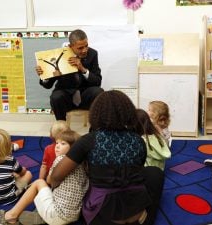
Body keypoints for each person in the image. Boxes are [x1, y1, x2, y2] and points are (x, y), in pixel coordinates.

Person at [49, 90, 164, 225]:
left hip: (102, 216)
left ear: (96, 114)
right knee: (155, 173)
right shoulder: (138, 141)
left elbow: (56, 177)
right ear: (128, 112)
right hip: (136, 213)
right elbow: (137, 171)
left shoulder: (87, 141)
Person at [0, 130, 88, 225]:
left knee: (39, 182)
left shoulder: (61, 160)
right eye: (57, 143)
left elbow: (50, 180)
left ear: (73, 148)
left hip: (57, 214)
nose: (57, 146)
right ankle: (42, 218)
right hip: (73, 216)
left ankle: (11, 216)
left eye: (63, 143)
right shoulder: (83, 165)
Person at [36, 29, 103, 121]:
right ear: (71, 46)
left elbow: (97, 81)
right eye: (80, 48)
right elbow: (47, 85)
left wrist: (82, 68)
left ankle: (95, 127)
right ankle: (61, 126)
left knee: (98, 92)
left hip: (84, 95)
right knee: (56, 96)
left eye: (86, 46)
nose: (84, 50)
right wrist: (44, 75)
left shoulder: (92, 54)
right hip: (66, 96)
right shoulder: (58, 56)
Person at [0, 129, 32, 205]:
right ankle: (20, 190)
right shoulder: (10, 160)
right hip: (9, 198)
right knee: (28, 174)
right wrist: (23, 169)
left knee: (9, 174)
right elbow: (22, 172)